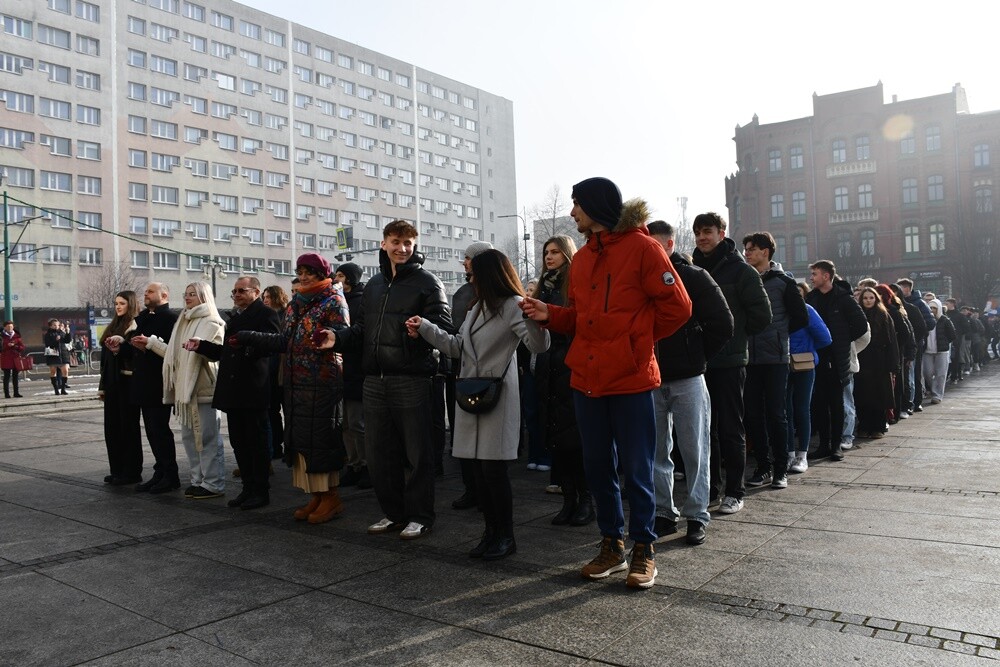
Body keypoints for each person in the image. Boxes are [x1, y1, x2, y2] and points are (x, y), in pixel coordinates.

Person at [520, 177, 692, 589]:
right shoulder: (581, 260)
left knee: (637, 468)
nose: (574, 212)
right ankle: (611, 544)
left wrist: (636, 341)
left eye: (578, 204)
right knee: (597, 466)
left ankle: (643, 549)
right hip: (587, 378)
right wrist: (549, 312)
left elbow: (679, 308)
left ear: (596, 207)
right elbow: (578, 318)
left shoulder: (644, 248)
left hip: (631, 378)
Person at [408, 249, 550, 559]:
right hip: (472, 394)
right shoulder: (478, 308)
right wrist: (426, 329)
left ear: (488, 275)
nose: (468, 279)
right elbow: (459, 347)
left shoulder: (513, 306)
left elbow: (537, 345)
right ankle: (491, 532)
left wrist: (536, 319)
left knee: (494, 472)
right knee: (480, 473)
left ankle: (505, 535)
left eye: (472, 275)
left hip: (497, 396)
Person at [330, 220, 452, 541]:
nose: (402, 248)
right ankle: (394, 513)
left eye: (408, 243)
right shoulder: (374, 285)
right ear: (383, 243)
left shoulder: (429, 283)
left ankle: (420, 516)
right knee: (380, 454)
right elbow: (360, 331)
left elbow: (444, 331)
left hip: (411, 380)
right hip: (374, 381)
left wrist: (420, 330)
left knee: (417, 453)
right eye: (396, 241)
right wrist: (335, 339)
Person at [246, 254, 351, 523]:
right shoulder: (295, 304)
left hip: (323, 381)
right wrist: (253, 338)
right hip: (296, 382)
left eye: (310, 273)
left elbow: (342, 336)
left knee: (322, 440)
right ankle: (316, 495)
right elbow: (285, 341)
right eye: (300, 272)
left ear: (322, 274)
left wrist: (328, 338)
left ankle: (331, 497)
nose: (303, 277)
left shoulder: (333, 300)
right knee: (304, 441)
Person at [647, 221, 733, 545]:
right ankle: (664, 514)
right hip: (653, 378)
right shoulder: (642, 280)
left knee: (696, 452)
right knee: (656, 452)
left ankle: (697, 515)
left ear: (669, 244)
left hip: (688, 378)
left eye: (655, 246)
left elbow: (724, 324)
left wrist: (696, 356)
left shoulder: (694, 277)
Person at [691, 213, 771, 515]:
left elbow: (762, 317)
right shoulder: (693, 270)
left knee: (730, 427)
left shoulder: (741, 271)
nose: (702, 237)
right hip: (698, 363)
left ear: (721, 233)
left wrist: (735, 336)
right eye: (697, 232)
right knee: (703, 431)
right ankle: (709, 488)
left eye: (707, 231)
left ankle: (734, 491)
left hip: (730, 361)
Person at [190, 277, 281, 509]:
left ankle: (260, 490)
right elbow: (226, 352)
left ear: (257, 292)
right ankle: (247, 488)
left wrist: (248, 344)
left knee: (256, 443)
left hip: (252, 388)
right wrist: (202, 346)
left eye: (242, 290)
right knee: (240, 442)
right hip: (234, 390)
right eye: (234, 291)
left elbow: (274, 345)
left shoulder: (267, 314)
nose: (237, 294)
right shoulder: (236, 316)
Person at [532, 235, 594, 527]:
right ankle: (569, 499)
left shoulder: (573, 284)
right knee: (558, 439)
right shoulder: (545, 287)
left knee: (577, 440)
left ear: (567, 254)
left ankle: (586, 500)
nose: (549, 256)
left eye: (555, 251)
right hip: (549, 366)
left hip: (571, 363)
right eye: (546, 252)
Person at [741, 232, 807, 491]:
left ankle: (781, 469)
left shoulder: (784, 281)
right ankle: (763, 466)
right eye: (745, 248)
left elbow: (801, 317)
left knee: (777, 414)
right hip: (748, 357)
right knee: (753, 415)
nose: (746, 252)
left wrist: (779, 334)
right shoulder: (744, 279)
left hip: (776, 357)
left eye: (752, 249)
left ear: (766, 251)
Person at [152, 282, 227, 500]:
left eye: (193, 294)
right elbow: (175, 355)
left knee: (207, 437)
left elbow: (212, 352)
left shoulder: (212, 321)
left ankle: (213, 482)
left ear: (204, 296)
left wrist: (200, 345)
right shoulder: (183, 322)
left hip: (203, 388)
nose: (187, 297)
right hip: (184, 390)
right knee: (188, 437)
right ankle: (197, 480)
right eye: (186, 294)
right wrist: (150, 344)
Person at [806, 262, 868, 461]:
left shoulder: (843, 299)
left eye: (814, 274)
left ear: (826, 276)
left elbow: (860, 325)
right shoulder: (812, 298)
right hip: (816, 356)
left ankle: (836, 446)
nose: (811, 278)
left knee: (837, 403)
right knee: (819, 403)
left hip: (836, 358)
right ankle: (823, 445)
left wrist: (842, 340)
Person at [449, 242, 494, 510]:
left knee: (486, 443)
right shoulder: (462, 293)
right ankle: (471, 488)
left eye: (468, 258)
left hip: (485, 374)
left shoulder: (495, 296)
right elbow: (456, 333)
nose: (464, 263)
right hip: (460, 369)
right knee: (462, 435)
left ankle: (485, 490)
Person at [125, 283, 180, 493]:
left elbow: (172, 352)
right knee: (151, 431)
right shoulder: (145, 318)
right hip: (143, 381)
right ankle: (160, 472)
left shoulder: (171, 319)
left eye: (150, 292)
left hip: (158, 382)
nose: (145, 294)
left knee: (160, 430)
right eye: (145, 291)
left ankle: (170, 475)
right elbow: (136, 348)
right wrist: (122, 345)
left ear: (164, 295)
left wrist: (149, 344)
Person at [331, 263, 370, 490]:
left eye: (342, 275)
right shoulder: (338, 300)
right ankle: (354, 464)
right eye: (336, 274)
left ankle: (366, 466)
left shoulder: (361, 301)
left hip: (357, 369)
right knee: (345, 423)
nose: (337, 279)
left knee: (357, 423)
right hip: (342, 370)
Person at [786, 283, 831, 473]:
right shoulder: (780, 310)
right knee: (785, 410)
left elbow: (825, 337)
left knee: (800, 409)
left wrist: (807, 348)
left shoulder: (807, 310)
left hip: (802, 363)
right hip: (782, 363)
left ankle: (801, 455)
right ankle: (789, 454)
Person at [99, 292, 143, 485]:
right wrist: (102, 387)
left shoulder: (135, 325)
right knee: (112, 428)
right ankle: (116, 469)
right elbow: (104, 361)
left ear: (130, 304)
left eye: (122, 303)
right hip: (111, 382)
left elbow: (136, 353)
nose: (118, 307)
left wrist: (122, 344)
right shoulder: (113, 325)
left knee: (128, 428)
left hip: (128, 382)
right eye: (116, 303)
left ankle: (131, 471)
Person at [854, 287, 899, 438]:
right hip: (862, 358)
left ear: (876, 299)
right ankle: (864, 425)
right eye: (865, 298)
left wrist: (893, 364)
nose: (868, 300)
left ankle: (878, 426)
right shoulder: (857, 314)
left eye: (871, 298)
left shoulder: (883, 315)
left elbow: (892, 341)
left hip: (880, 360)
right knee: (862, 394)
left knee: (879, 395)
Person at [895, 278, 935, 414]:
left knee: (916, 373)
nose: (902, 290)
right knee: (907, 375)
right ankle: (909, 401)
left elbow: (928, 324)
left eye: (904, 287)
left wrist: (915, 339)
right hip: (903, 344)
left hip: (915, 343)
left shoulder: (918, 304)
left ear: (910, 288)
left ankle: (917, 401)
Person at [262, 284, 290, 461]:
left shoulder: (284, 315)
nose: (265, 300)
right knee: (273, 411)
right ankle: (278, 446)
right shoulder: (267, 316)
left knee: (285, 412)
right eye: (263, 297)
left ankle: (284, 446)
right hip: (271, 371)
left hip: (282, 370)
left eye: (268, 297)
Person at [923, 299, 956, 404]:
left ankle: (937, 395)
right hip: (927, 351)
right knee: (927, 373)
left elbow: (952, 335)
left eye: (934, 308)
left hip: (941, 351)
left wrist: (944, 343)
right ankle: (933, 389)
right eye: (930, 308)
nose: (932, 310)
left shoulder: (945, 320)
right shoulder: (925, 320)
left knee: (941, 374)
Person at [44, 319, 71, 395]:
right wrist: (56, 340)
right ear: (50, 326)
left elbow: (67, 340)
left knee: (65, 371)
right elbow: (47, 344)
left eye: (58, 325)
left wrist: (68, 332)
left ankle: (63, 389)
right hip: (53, 354)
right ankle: (56, 389)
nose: (56, 327)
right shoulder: (48, 334)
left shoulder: (61, 332)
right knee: (53, 371)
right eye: (54, 325)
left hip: (63, 354)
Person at [1, 320, 25, 398]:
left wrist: (15, 346)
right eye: (8, 327)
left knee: (15, 376)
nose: (10, 328)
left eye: (11, 326)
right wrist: (7, 345)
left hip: (15, 358)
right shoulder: (1, 336)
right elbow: (1, 348)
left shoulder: (17, 336)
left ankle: (16, 392)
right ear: (5, 327)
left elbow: (22, 347)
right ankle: (7, 393)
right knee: (6, 376)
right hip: (6, 358)